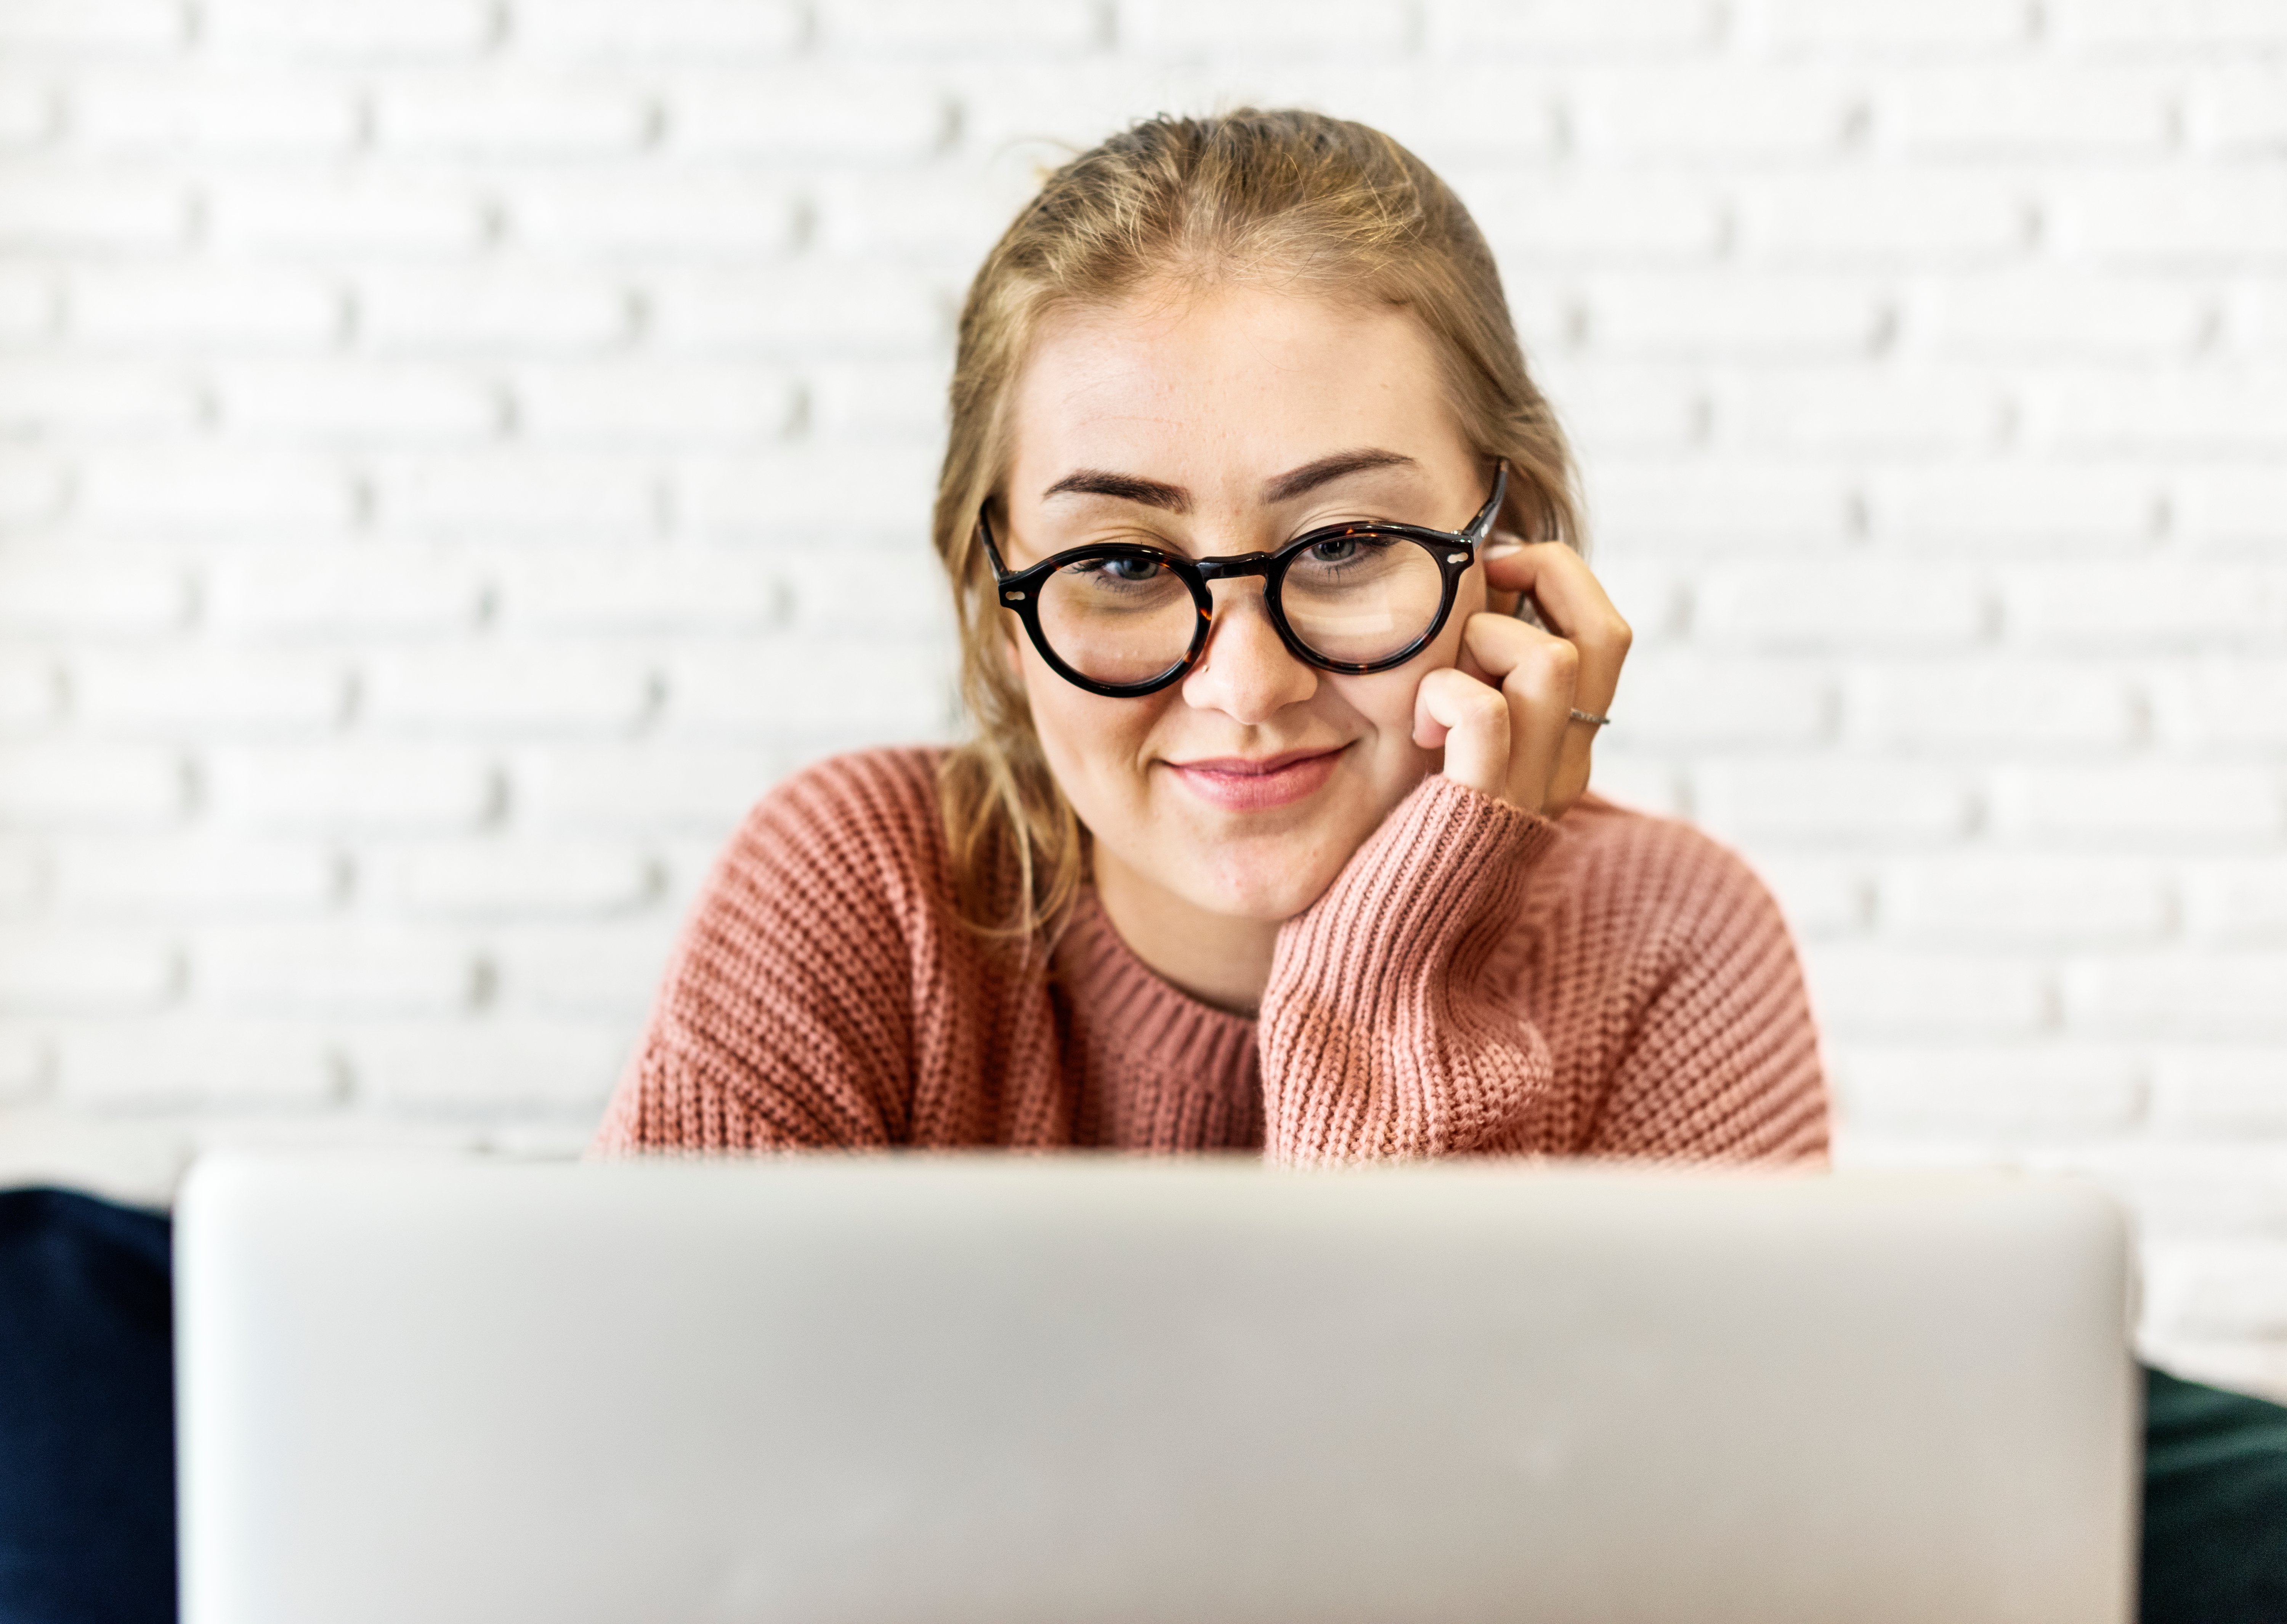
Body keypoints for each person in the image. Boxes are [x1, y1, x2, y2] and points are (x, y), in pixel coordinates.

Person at [596, 110, 1825, 1163]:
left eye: (1343, 544)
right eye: (1122, 564)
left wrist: (1396, 972)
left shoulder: (1672, 942)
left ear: (1513, 552)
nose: (1244, 685)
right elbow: (637, 1430)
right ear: (997, 594)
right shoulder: (862, 891)